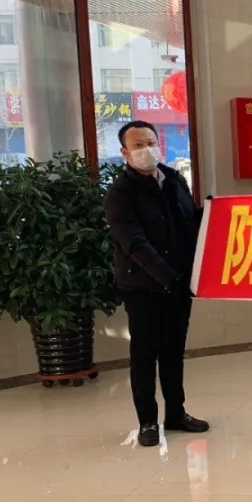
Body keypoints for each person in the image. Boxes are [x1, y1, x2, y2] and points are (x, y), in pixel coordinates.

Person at [103, 120, 209, 448]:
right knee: (145, 354)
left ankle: (176, 413)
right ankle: (148, 421)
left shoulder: (174, 179)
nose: (146, 150)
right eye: (138, 145)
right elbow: (134, 245)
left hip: (179, 283)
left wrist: (216, 212)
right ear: (125, 152)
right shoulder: (120, 194)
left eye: (150, 142)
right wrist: (168, 278)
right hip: (143, 287)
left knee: (173, 352)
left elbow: (189, 222)